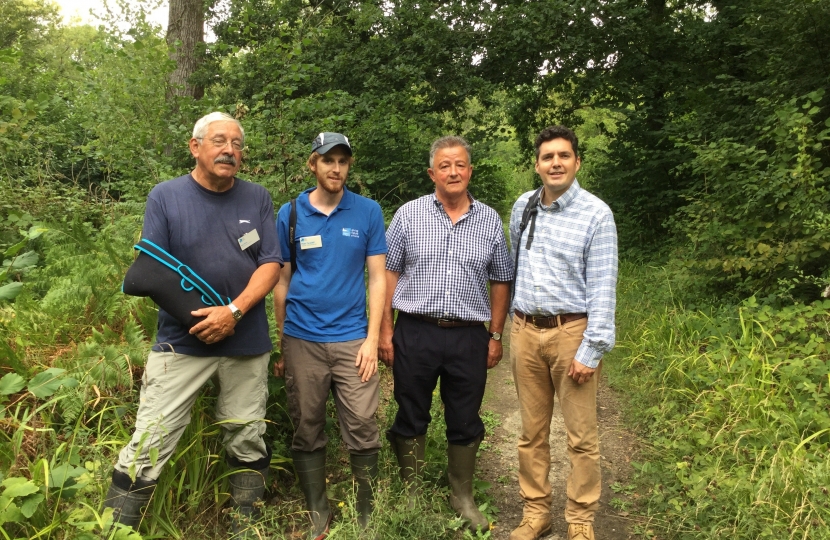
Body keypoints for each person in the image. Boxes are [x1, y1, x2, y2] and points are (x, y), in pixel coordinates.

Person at [103, 112, 282, 535]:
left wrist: (232, 313)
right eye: (220, 141)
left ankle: (244, 525)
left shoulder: (257, 198)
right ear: (195, 146)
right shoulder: (165, 197)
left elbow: (270, 262)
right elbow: (150, 271)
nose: (229, 151)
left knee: (246, 433)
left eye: (237, 145)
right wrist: (206, 321)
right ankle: (115, 530)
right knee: (150, 440)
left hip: (246, 340)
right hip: (181, 343)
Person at [379, 135, 513, 532]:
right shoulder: (408, 215)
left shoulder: (489, 220)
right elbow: (388, 273)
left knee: (465, 414)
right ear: (432, 173)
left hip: (468, 336)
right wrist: (386, 331)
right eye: (444, 165)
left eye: (460, 165)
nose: (453, 172)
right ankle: (413, 490)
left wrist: (496, 334)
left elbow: (501, 279)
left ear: (470, 171)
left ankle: (462, 495)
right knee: (410, 409)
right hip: (415, 332)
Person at [273, 132, 387, 539]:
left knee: (361, 421)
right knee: (307, 422)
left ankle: (365, 511)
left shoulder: (367, 212)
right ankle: (317, 509)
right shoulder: (289, 214)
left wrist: (372, 339)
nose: (336, 168)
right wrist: (283, 341)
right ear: (313, 164)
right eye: (328, 160)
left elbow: (377, 278)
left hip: (353, 337)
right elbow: (281, 282)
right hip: (302, 338)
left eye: (342, 161)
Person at [507, 126, 618, 540]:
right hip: (524, 330)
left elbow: (603, 286)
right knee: (530, 433)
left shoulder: (596, 214)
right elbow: (517, 265)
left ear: (577, 162)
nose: (555, 163)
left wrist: (592, 349)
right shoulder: (523, 207)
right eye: (548, 156)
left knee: (581, 436)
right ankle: (536, 512)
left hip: (571, 332)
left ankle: (580, 519)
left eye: (564, 156)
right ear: (537, 165)